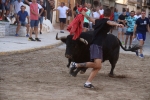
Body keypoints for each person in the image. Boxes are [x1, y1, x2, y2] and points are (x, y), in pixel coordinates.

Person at [70, 8, 124, 88]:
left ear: (104, 14)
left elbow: (90, 19)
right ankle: (76, 64)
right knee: (97, 65)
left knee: (98, 66)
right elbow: (109, 22)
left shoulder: (98, 21)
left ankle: (88, 82)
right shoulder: (106, 21)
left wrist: (84, 14)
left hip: (95, 45)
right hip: (97, 45)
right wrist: (117, 24)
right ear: (111, 15)